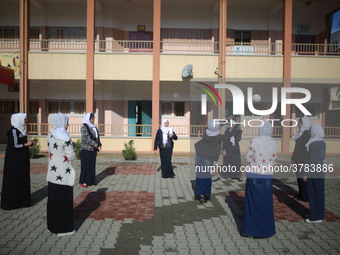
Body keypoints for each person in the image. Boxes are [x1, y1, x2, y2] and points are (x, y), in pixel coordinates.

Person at [243, 121, 278, 238]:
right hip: (267, 176)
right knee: (266, 203)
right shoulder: (274, 143)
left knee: (252, 204)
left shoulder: (254, 141)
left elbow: (248, 158)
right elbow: (274, 160)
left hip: (254, 175)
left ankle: (251, 230)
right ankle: (266, 230)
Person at [46, 113, 76, 236]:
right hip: (63, 175)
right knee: (64, 202)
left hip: (52, 174)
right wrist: (72, 146)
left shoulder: (50, 135)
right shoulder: (66, 138)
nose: (68, 124)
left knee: (53, 201)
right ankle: (63, 229)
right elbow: (72, 156)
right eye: (67, 122)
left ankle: (52, 225)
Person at [1, 113, 34, 210]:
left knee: (22, 178)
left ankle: (23, 201)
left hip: (22, 160)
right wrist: (26, 145)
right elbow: (15, 146)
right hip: (14, 161)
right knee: (14, 179)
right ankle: (12, 203)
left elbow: (23, 142)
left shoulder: (22, 130)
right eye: (24, 119)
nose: (25, 121)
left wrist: (30, 144)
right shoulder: (13, 131)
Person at [194, 119, 223, 203]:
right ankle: (206, 195)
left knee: (199, 174)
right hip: (208, 157)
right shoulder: (218, 136)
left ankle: (201, 195)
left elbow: (212, 126)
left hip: (199, 154)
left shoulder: (206, 133)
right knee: (207, 175)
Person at [304, 124, 326, 223]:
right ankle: (317, 214)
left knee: (313, 193)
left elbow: (311, 160)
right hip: (320, 168)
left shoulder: (313, 144)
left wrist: (306, 174)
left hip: (314, 169)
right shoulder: (322, 143)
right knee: (319, 193)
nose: (309, 132)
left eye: (310, 130)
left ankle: (316, 217)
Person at [79, 112, 102, 188]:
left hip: (93, 150)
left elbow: (96, 137)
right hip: (86, 149)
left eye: (94, 118)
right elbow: (85, 138)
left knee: (91, 166)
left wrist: (99, 143)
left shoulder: (94, 127)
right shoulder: (84, 127)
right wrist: (94, 144)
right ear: (88, 119)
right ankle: (84, 182)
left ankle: (91, 181)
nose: (93, 120)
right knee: (85, 166)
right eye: (92, 119)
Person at [291, 117, 311, 202]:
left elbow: (307, 149)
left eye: (299, 123)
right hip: (297, 158)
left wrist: (304, 161)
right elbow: (297, 147)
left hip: (302, 160)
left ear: (304, 123)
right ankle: (301, 193)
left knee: (303, 178)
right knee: (298, 177)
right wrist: (293, 158)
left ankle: (305, 196)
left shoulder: (307, 134)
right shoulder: (299, 133)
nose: (298, 124)